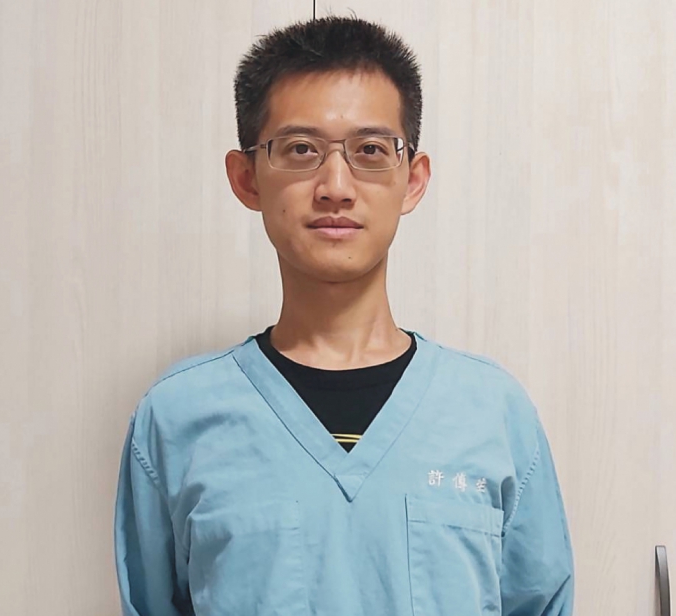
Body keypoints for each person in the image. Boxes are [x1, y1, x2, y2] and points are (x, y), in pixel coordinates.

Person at [114, 15, 574, 616]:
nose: (336, 185)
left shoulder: (494, 414)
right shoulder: (176, 419)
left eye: (370, 151)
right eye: (301, 150)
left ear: (413, 180)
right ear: (246, 178)